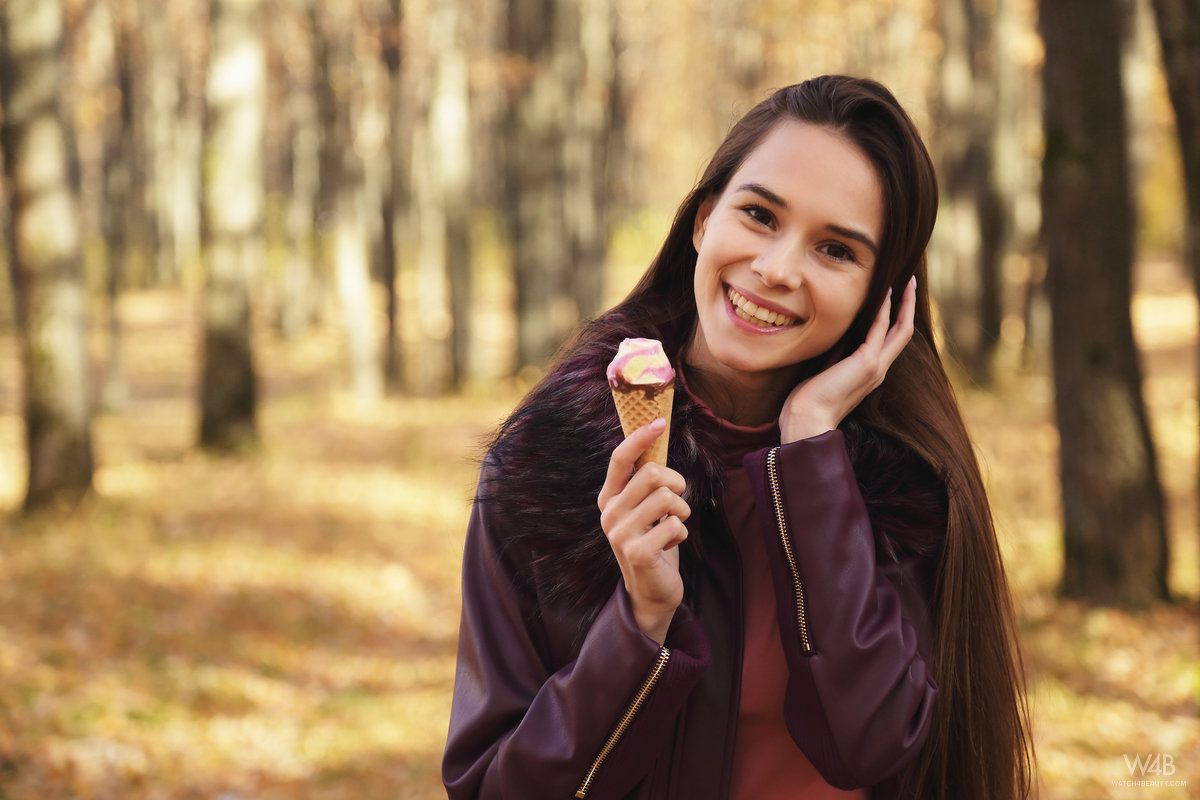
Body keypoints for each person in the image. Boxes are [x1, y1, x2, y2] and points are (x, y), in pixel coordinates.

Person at [442, 75, 1035, 799]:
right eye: (759, 215)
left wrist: (811, 453)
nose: (777, 269)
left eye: (836, 251)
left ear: (881, 299)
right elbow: (491, 789)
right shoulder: (547, 462)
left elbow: (873, 747)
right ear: (701, 221)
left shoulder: (903, 487)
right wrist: (641, 624)